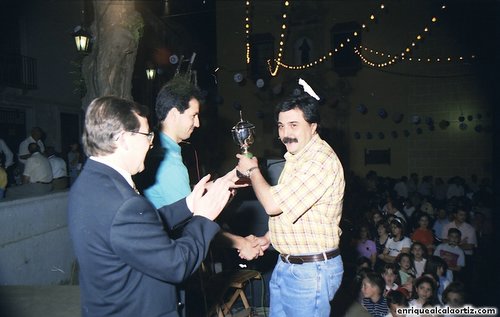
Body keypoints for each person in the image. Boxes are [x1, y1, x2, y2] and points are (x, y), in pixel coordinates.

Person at [68, 96, 237, 317]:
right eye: (147, 135)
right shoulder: (122, 202)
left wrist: (189, 204)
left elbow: (142, 228)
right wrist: (204, 218)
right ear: (123, 138)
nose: (151, 143)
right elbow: (176, 265)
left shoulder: (90, 181)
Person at [236, 91, 345, 316]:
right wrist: (266, 239)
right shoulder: (297, 158)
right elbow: (291, 212)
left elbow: (272, 205)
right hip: (288, 265)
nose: (286, 134)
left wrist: (253, 170)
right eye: (281, 126)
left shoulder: (320, 160)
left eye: (294, 125)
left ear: (313, 126)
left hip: (311, 271)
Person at [143, 76, 260, 260]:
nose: (197, 124)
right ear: (174, 114)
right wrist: (242, 243)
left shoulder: (157, 151)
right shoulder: (170, 164)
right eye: (193, 115)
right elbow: (193, 223)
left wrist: (227, 180)